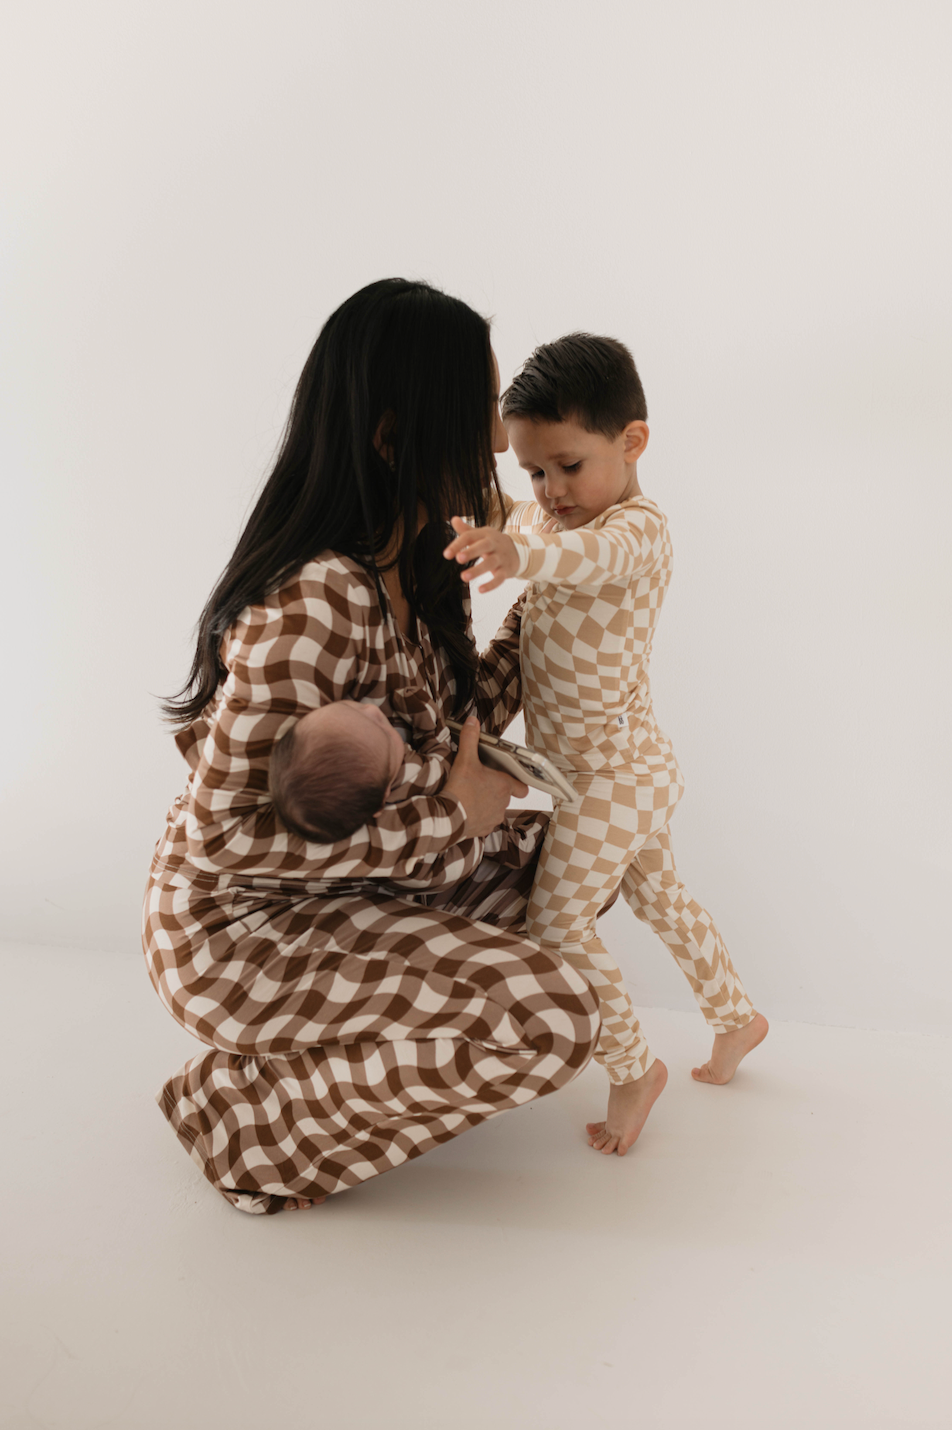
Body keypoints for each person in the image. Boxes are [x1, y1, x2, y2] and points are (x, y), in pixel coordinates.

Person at [143, 280, 600, 1215]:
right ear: (395, 438)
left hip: (351, 887)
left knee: (588, 859)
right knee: (553, 1020)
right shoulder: (315, 599)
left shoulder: (422, 571)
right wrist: (448, 818)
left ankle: (317, 1053)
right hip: (243, 934)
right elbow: (228, 841)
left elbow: (467, 723)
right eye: (476, 417)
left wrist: (567, 586)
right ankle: (237, 1119)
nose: (498, 446)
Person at [444, 332, 768, 1158]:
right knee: (662, 899)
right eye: (534, 473)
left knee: (556, 919)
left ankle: (631, 1066)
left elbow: (575, 557)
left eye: (568, 466)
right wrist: (486, 523)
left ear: (632, 443)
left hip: (616, 776)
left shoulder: (636, 531)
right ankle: (737, 1019)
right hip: (616, 771)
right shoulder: (547, 516)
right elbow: (516, 533)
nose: (550, 491)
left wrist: (518, 547)